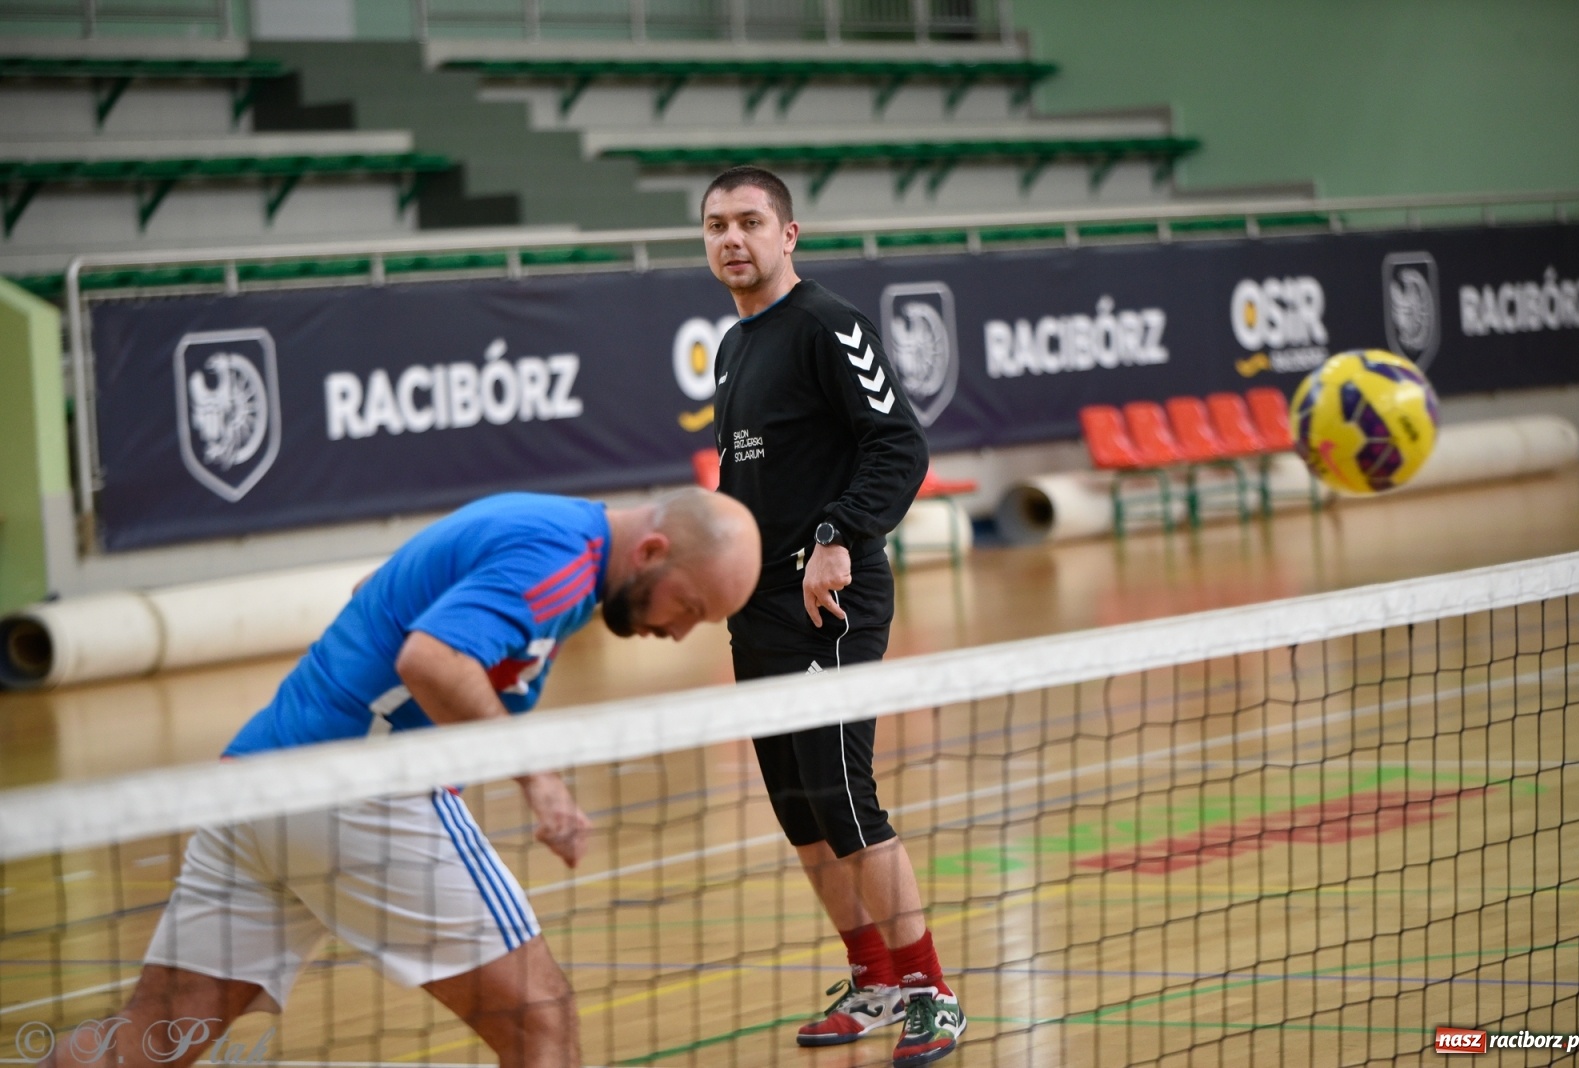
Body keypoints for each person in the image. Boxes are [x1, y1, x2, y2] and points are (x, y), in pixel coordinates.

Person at [51, 489, 761, 1068]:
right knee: (541, 1020)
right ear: (651, 552)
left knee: (146, 1040)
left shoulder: (539, 522)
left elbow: (374, 587)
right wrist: (539, 781)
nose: (679, 632)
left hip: (255, 782)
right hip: (363, 790)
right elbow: (431, 660)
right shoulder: (561, 561)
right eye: (689, 608)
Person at [702, 166, 965, 1067]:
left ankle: (930, 991)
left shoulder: (829, 325)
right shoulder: (732, 347)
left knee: (846, 802)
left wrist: (838, 536)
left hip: (831, 602)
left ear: (788, 235)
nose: (732, 239)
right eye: (716, 226)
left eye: (749, 222)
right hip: (758, 609)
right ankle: (874, 979)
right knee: (799, 812)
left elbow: (899, 445)